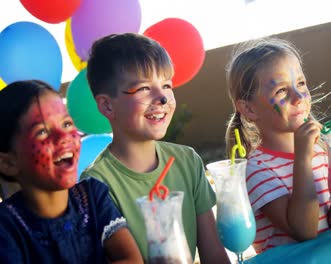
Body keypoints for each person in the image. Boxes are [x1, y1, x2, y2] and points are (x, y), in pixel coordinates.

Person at [80, 33, 230, 263]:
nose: (161, 97)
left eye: (167, 85)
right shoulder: (96, 186)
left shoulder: (186, 161)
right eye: (143, 88)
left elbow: (214, 254)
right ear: (107, 106)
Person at [225, 37, 331, 254]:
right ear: (249, 109)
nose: (299, 96)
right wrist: (302, 158)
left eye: (300, 83)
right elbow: (304, 231)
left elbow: (328, 219)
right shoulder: (256, 170)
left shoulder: (321, 150)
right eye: (281, 90)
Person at [0, 80, 142, 263]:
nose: (64, 137)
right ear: (8, 163)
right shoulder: (6, 227)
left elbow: (131, 259)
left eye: (66, 124)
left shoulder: (93, 196)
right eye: (42, 131)